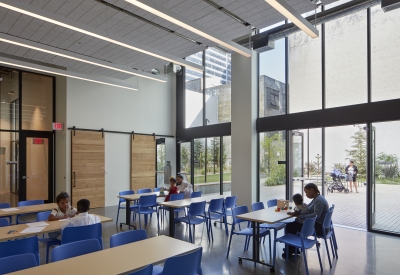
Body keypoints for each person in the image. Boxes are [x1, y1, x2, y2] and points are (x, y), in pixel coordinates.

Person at [284, 183, 329, 258]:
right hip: (321, 226)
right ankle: (294, 248)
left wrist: (301, 216)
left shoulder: (318, 201)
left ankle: (290, 251)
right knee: (295, 224)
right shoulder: (317, 198)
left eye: (306, 192)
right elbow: (308, 208)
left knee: (290, 226)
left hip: (319, 228)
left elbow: (316, 215)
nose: (306, 194)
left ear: (312, 190)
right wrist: (299, 211)